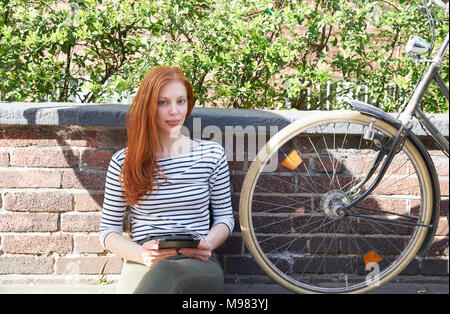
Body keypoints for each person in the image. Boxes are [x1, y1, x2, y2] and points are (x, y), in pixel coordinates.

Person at [99, 65, 234, 294]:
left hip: (197, 262)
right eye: (163, 102)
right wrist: (142, 254)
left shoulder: (211, 154)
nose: (174, 111)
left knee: (167, 273)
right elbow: (108, 231)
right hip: (145, 260)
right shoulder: (124, 161)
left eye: (180, 101)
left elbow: (224, 218)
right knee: (158, 275)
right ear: (148, 106)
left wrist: (208, 243)